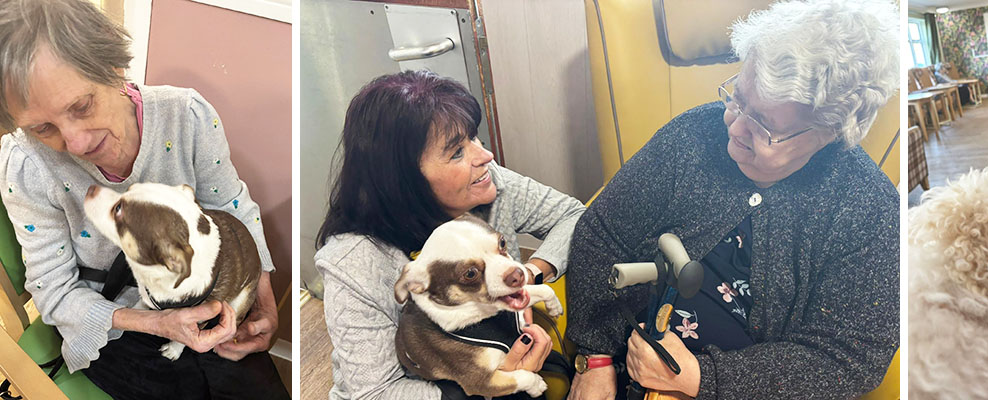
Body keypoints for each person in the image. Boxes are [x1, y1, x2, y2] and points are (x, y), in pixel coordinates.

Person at [564, 0, 902, 398]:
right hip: (626, 364)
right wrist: (595, 357)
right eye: (738, 99)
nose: (735, 127)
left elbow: (846, 361)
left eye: (764, 126)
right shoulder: (692, 133)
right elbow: (602, 233)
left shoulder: (870, 211)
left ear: (829, 133)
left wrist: (701, 378)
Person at [0, 0, 287, 398]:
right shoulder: (27, 166)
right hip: (115, 321)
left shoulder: (187, 117)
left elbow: (233, 207)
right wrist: (156, 323)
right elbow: (54, 291)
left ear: (113, 67)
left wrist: (262, 299)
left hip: (206, 291)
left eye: (82, 106)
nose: (76, 143)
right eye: (44, 128)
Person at [314, 70, 586, 399]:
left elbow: (574, 216)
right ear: (403, 181)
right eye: (457, 151)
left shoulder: (487, 184)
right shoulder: (354, 262)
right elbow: (374, 392)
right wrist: (483, 385)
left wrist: (530, 271)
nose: (484, 156)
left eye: (473, 137)